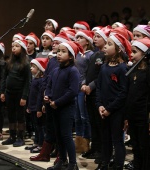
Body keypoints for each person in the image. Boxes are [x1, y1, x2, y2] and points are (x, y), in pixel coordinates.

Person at [29, 31, 71, 163]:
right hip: (49, 99)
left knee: (60, 130)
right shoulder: (52, 61)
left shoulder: (68, 65)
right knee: (49, 128)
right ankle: (45, 153)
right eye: (55, 43)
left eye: (58, 43)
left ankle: (61, 155)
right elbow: (46, 80)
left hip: (60, 101)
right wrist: (45, 96)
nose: (54, 45)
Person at [95, 33, 131, 170]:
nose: (105, 46)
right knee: (105, 139)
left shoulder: (123, 69)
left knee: (117, 139)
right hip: (104, 109)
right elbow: (98, 86)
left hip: (116, 110)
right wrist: (99, 105)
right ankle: (104, 163)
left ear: (119, 49)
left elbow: (123, 93)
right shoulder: (104, 66)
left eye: (110, 44)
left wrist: (110, 108)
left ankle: (118, 165)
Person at [45, 41, 82, 170]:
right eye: (58, 51)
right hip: (54, 106)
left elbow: (73, 91)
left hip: (66, 108)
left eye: (63, 51)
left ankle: (73, 164)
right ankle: (62, 161)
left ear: (71, 56)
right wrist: (48, 96)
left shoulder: (73, 71)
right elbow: (49, 85)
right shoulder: (55, 70)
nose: (59, 53)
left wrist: (57, 102)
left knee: (66, 135)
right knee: (58, 135)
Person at [81, 26, 111, 161]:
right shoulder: (94, 54)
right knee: (92, 121)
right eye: (94, 36)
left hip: (97, 92)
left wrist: (91, 87)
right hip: (89, 92)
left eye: (99, 36)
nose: (95, 38)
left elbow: (101, 76)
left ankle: (101, 151)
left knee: (100, 123)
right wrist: (83, 83)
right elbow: (87, 72)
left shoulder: (105, 56)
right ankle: (94, 148)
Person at [125, 37, 150, 170]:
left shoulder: (148, 72)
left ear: (145, 54)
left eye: (134, 52)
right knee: (135, 144)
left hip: (143, 116)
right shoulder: (132, 71)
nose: (131, 54)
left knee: (144, 145)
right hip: (132, 114)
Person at [0, 39, 31, 147]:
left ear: (22, 48)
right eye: (13, 46)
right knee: (11, 115)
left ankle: (20, 137)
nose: (13, 48)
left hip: (20, 93)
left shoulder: (26, 64)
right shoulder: (9, 62)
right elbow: (4, 77)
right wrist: (2, 92)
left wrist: (24, 96)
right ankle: (12, 136)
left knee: (20, 116)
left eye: (17, 46)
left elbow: (28, 82)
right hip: (9, 93)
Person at [74, 30, 94, 153]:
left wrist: (85, 84)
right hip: (74, 88)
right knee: (77, 117)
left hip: (83, 87)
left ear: (87, 41)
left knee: (84, 116)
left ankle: (87, 142)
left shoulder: (90, 54)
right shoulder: (76, 54)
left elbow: (89, 72)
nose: (78, 40)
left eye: (81, 37)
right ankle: (79, 144)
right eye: (77, 37)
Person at [26, 58, 48, 153]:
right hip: (32, 107)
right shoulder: (35, 79)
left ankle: (41, 144)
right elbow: (31, 95)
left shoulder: (42, 81)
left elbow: (40, 96)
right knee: (35, 126)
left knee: (40, 126)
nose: (31, 68)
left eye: (33, 67)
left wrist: (39, 108)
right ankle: (36, 142)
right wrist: (29, 107)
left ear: (39, 69)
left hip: (37, 107)